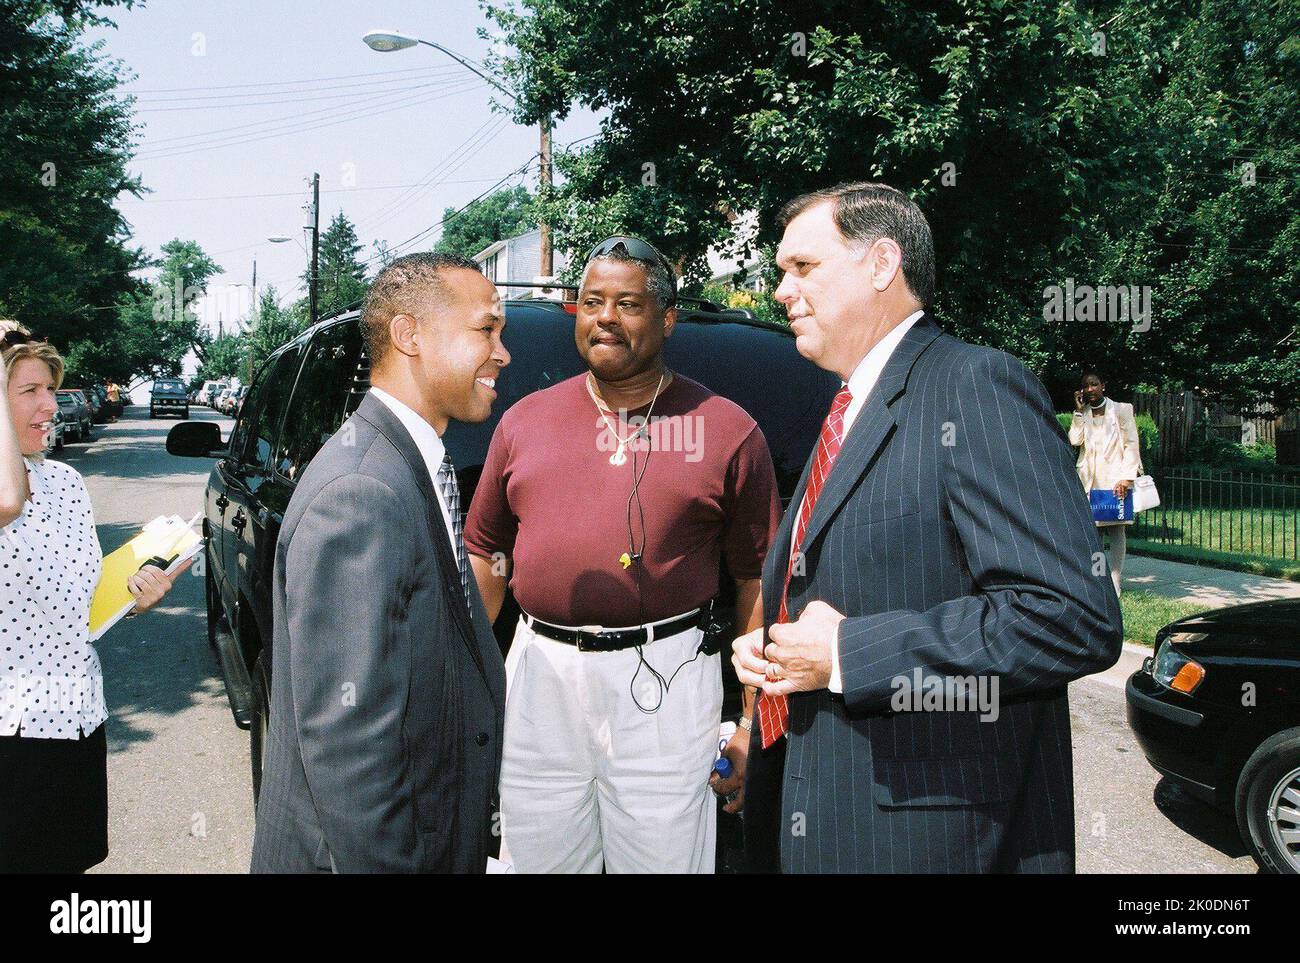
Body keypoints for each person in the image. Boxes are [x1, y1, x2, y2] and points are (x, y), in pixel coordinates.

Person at [732, 184, 1123, 873]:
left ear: (881, 263)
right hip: (824, 819)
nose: (779, 290)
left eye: (802, 267)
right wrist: (775, 654)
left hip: (931, 845)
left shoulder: (976, 387)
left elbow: (1070, 617)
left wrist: (850, 652)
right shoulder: (847, 410)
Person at [465, 236, 780, 873]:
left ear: (666, 319)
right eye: (591, 301)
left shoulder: (726, 429)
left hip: (667, 681)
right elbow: (484, 554)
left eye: (628, 303)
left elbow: (757, 582)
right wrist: (468, 685)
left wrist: (751, 721)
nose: (605, 316)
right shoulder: (523, 421)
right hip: (540, 679)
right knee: (535, 863)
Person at [250, 253, 509, 874]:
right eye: (486, 329)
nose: (502, 353)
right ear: (408, 335)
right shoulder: (362, 492)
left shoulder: (409, 465)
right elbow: (349, 746)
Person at [0, 320, 183, 873]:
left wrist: (134, 596)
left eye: (51, 389)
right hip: (12, 730)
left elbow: (80, 604)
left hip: (76, 716)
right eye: (28, 390)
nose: (50, 405)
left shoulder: (64, 482)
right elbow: (9, 500)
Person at [1069, 370, 1141, 595]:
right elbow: (1074, 440)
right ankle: (1099, 580)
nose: (1090, 389)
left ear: (1103, 385)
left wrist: (1127, 477)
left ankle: (1115, 580)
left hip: (1115, 481)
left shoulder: (1121, 410)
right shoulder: (1084, 413)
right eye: (1086, 386)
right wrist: (1079, 413)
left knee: (1117, 530)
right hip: (1089, 481)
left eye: (1094, 384)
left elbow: (1131, 444)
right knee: (1094, 533)